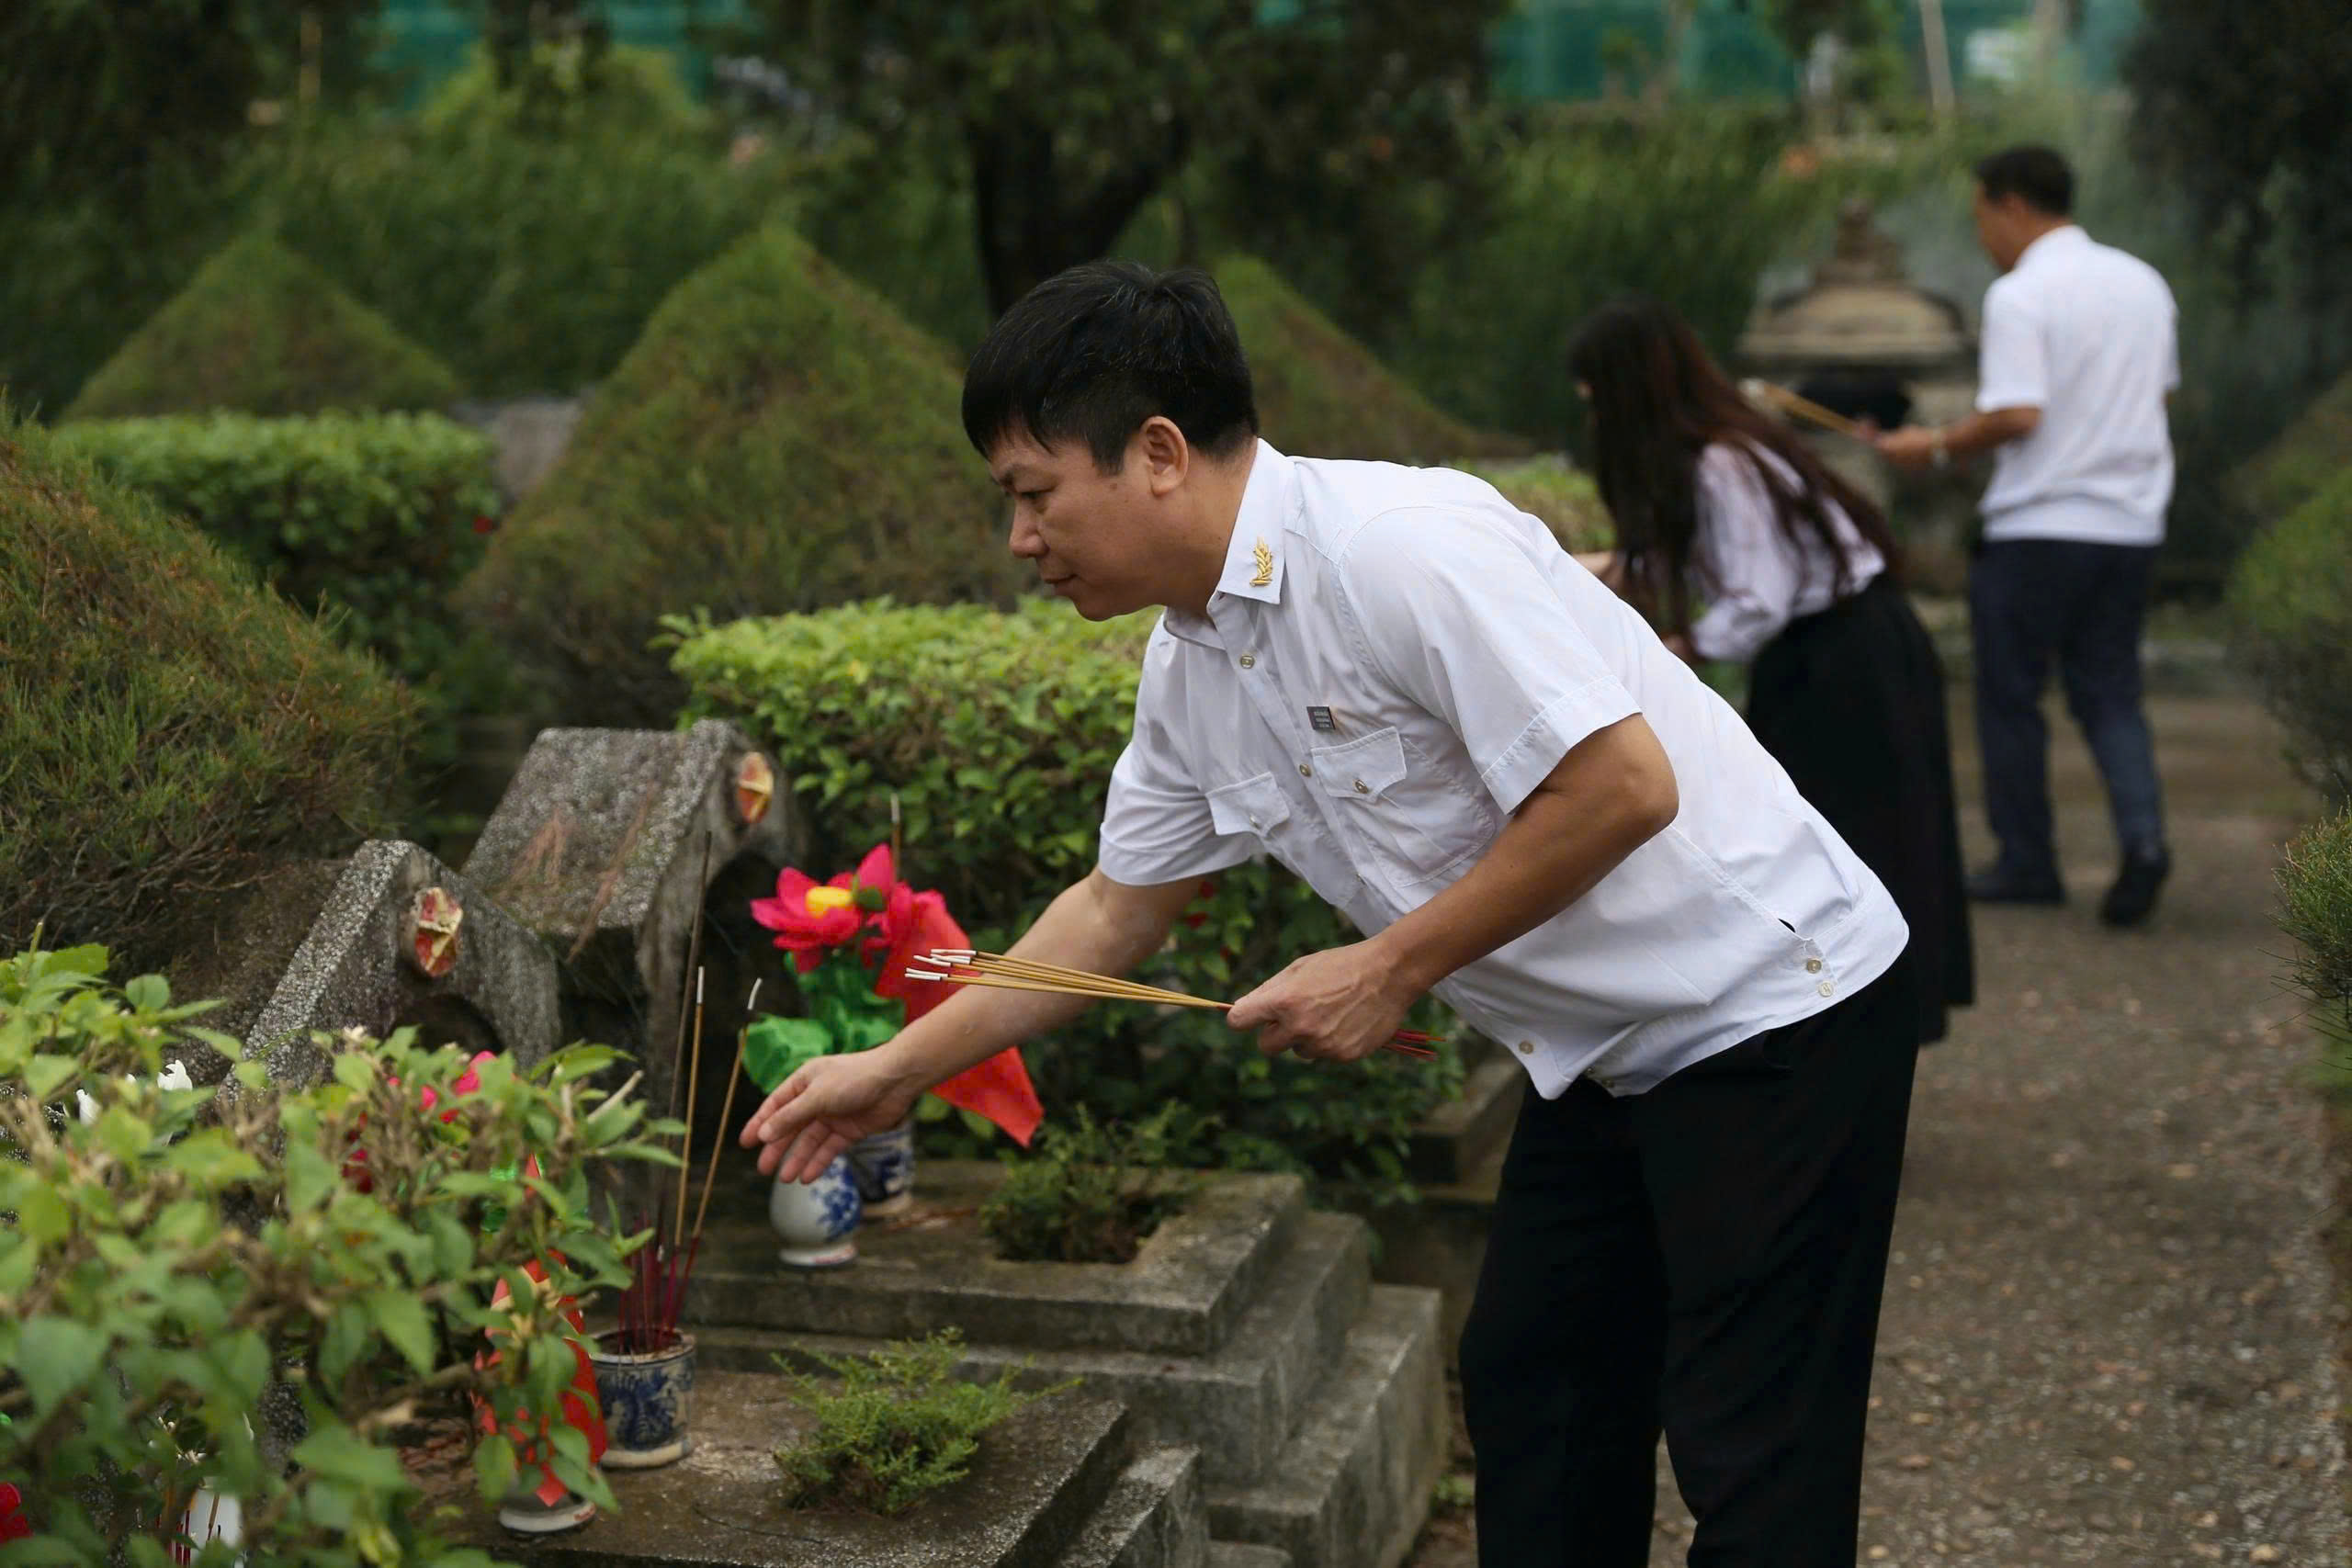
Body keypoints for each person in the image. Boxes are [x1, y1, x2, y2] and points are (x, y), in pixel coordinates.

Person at [741, 261, 1919, 1568]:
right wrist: (896, 1069)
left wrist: (1388, 967)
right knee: (1540, 1389)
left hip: (1772, 1002)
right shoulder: (1192, 663)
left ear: (1158, 453)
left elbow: (1622, 787)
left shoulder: (1398, 549)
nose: (1020, 539)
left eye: (1033, 493)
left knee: (1754, 1450)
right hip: (1601, 1049)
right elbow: (1114, 910)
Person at [1566, 295, 1973, 1047]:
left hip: (1848, 658)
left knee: (1855, 843)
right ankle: (1850, 1027)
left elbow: (1758, 599)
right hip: (1836, 650)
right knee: (1839, 840)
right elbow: (1662, 562)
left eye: (1596, 398)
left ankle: (1864, 1025)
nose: (1593, 417)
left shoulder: (1723, 462)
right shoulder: (1721, 453)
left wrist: (1667, 653)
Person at [1876, 143, 2178, 927]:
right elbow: (2158, 399)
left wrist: (1932, 446)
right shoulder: (2143, 283)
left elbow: (2018, 412)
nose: (1982, 235)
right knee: (2110, 693)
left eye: (1982, 215)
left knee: (2010, 697)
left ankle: (2027, 861)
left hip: (2039, 526)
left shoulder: (2021, 293)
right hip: (2130, 523)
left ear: (2010, 204)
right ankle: (2144, 841)